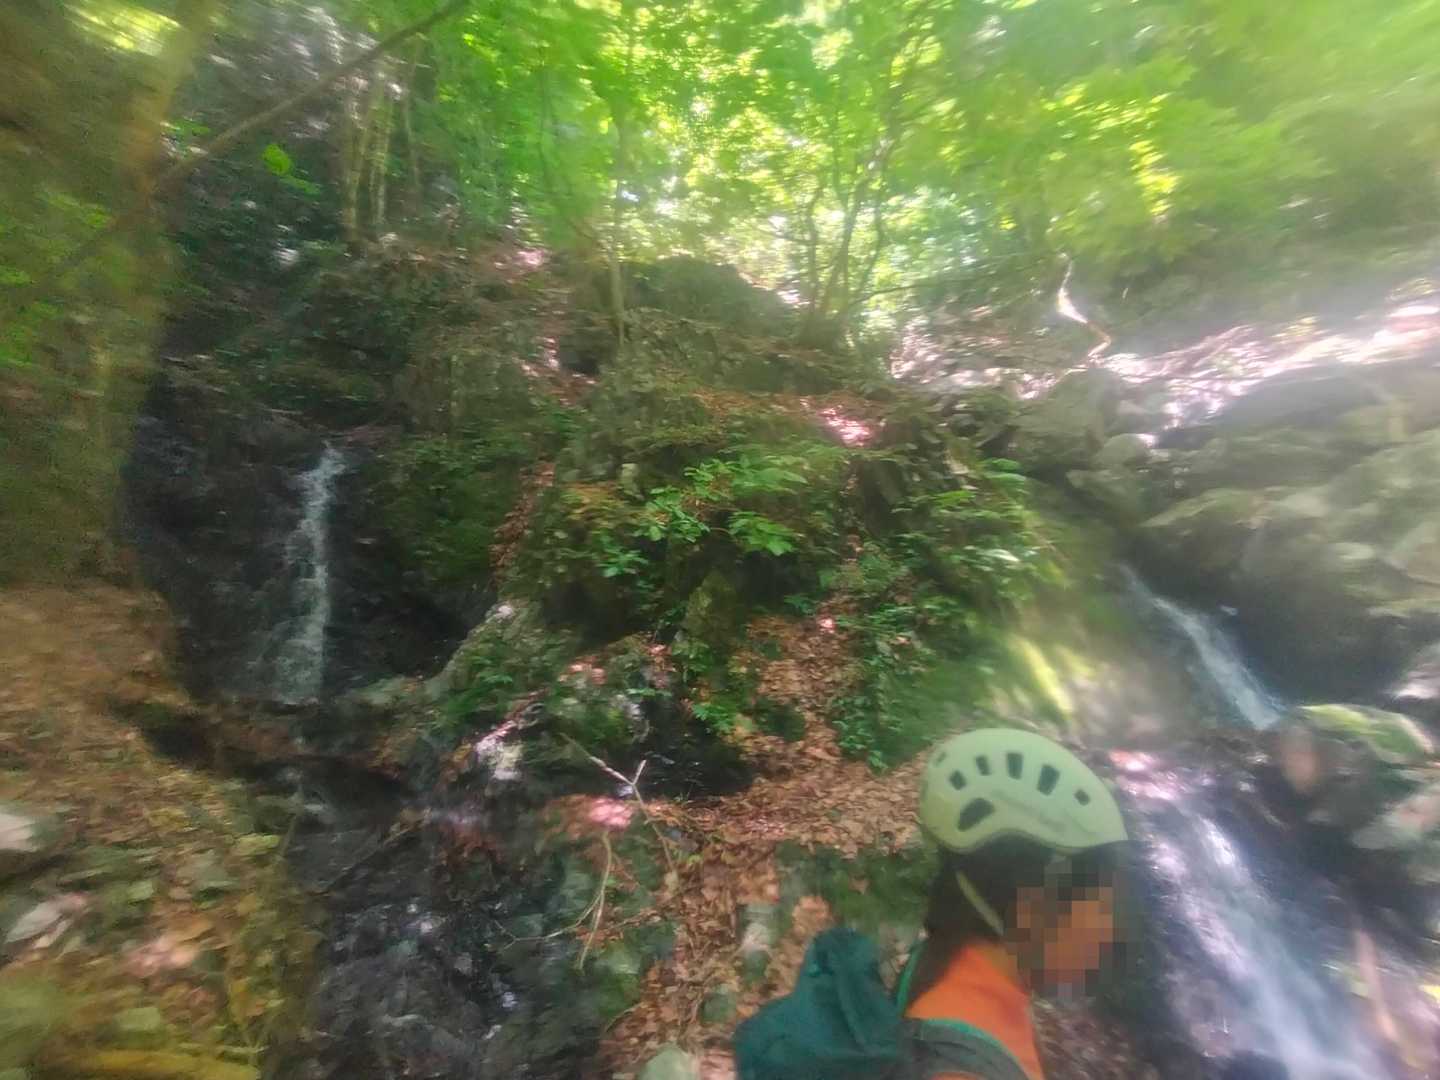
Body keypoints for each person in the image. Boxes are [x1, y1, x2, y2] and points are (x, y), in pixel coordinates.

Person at [898, 728, 1131, 1080]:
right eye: (1103, 908)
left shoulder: (946, 958)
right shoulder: (960, 1070)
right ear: (1034, 907)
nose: (1111, 932)